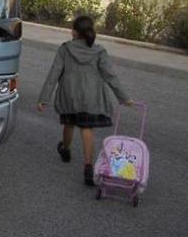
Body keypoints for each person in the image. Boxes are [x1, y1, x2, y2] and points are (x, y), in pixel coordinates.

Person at [37, 16, 134, 186]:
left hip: (69, 96)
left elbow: (54, 74)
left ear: (75, 32)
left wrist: (44, 99)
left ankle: (65, 150)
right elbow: (110, 76)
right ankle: (88, 166)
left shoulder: (65, 49)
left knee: (69, 124)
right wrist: (124, 97)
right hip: (91, 99)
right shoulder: (99, 51)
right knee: (87, 128)